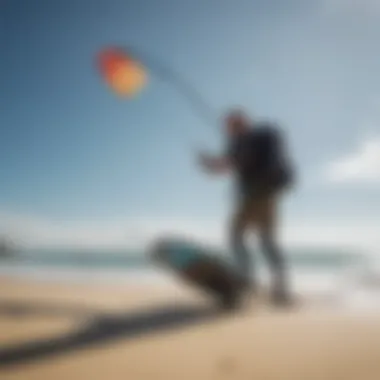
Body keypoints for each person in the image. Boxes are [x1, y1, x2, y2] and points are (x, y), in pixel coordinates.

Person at [198, 109, 295, 305]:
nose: (229, 129)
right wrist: (210, 164)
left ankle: (247, 283)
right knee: (267, 242)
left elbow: (233, 162)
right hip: (268, 195)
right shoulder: (246, 141)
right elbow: (227, 166)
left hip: (255, 196)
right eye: (228, 125)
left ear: (242, 122)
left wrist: (214, 163)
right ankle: (281, 290)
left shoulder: (250, 139)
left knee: (237, 237)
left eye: (231, 124)